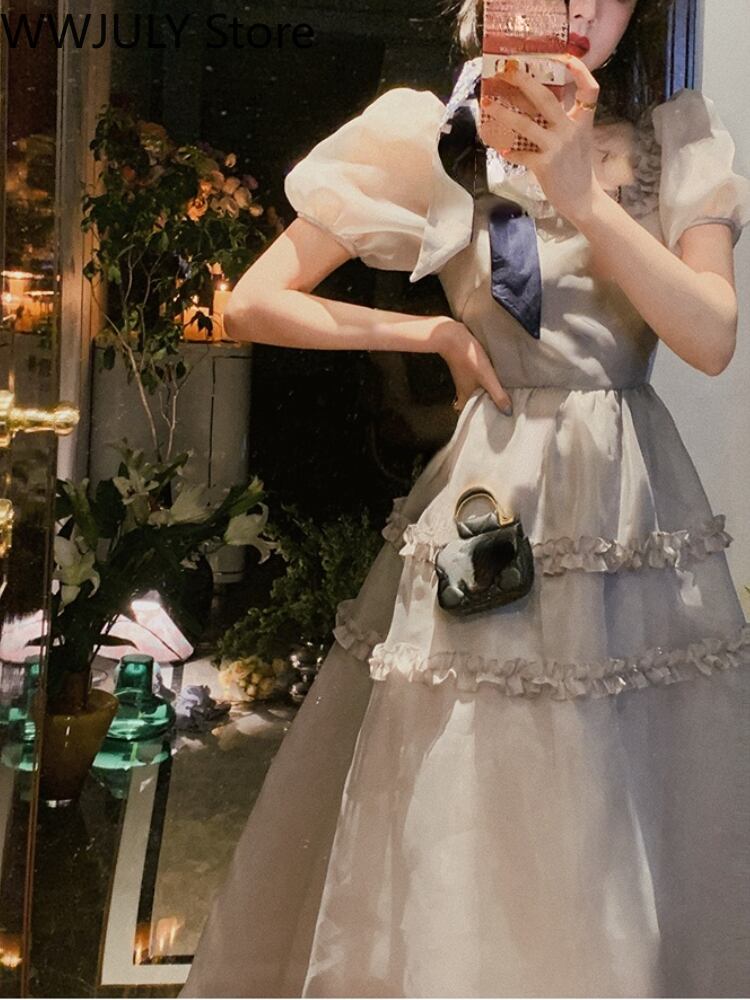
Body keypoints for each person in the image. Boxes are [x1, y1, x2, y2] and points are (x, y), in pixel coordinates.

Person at [181, 0, 750, 995]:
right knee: (473, 782)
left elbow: (709, 336)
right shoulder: (434, 136)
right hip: (494, 505)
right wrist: (433, 334)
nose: (578, 7)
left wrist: (584, 196)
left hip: (633, 516)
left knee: (626, 795)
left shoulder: (675, 140)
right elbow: (255, 302)